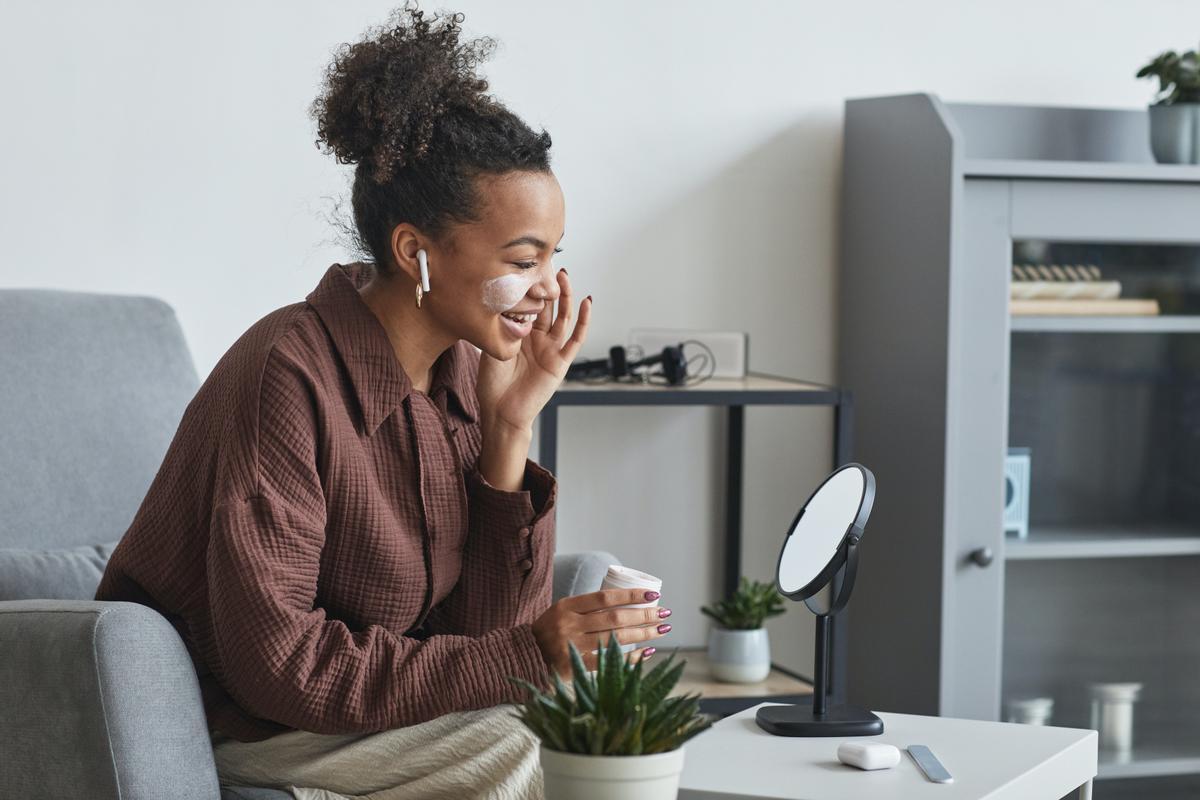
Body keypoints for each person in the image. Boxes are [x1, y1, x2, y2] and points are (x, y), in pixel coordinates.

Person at [93, 4, 674, 798]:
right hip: (256, 728)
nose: (546, 288)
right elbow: (280, 667)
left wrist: (509, 431)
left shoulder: (464, 380)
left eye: (553, 258)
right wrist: (530, 655)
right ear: (415, 251)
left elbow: (477, 645)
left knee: (595, 730)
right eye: (522, 257)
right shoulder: (287, 373)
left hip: (377, 723)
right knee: (535, 747)